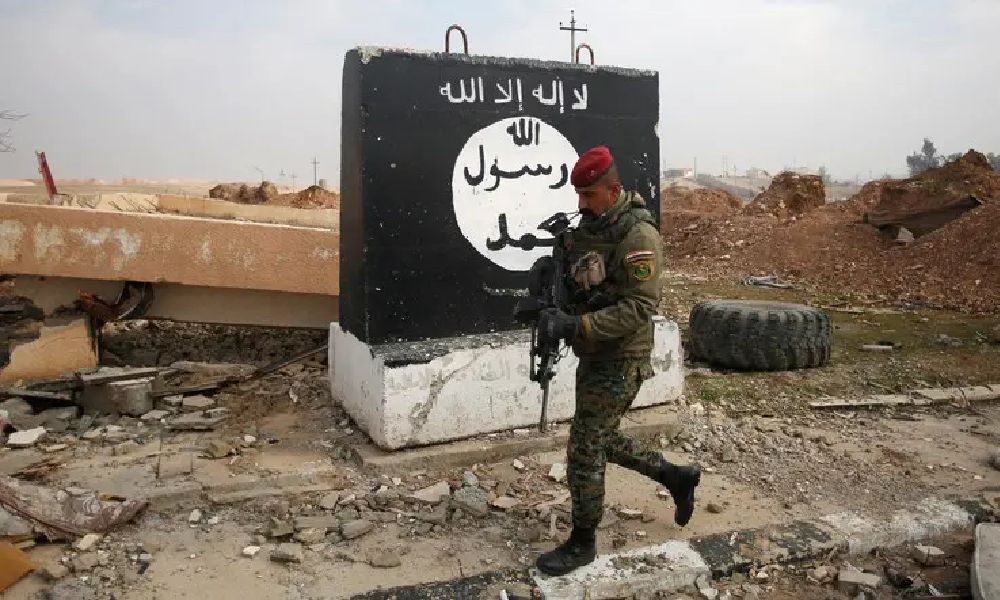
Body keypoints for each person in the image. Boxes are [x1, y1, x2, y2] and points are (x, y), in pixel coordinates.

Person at [534, 145, 701, 576]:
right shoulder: (591, 227)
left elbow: (639, 307)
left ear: (613, 190)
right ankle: (675, 477)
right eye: (578, 195)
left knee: (584, 447)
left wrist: (576, 326)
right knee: (600, 438)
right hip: (595, 352)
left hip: (622, 357)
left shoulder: (637, 236)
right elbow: (583, 286)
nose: (581, 204)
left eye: (588, 195)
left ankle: (582, 542)